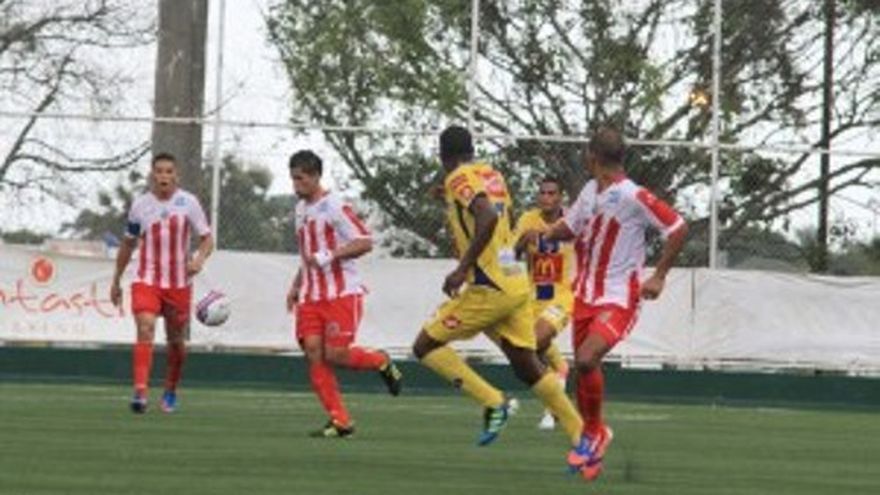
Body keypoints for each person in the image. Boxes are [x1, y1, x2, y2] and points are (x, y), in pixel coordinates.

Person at [412, 125, 591, 474]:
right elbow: (487, 209)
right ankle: (581, 436)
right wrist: (446, 195)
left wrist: (462, 268)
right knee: (527, 365)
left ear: (443, 156)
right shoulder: (492, 175)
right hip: (515, 282)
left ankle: (494, 402)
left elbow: (487, 216)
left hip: (488, 287)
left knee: (425, 345)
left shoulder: (457, 177)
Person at [539, 127, 688, 480]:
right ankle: (594, 446)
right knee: (583, 367)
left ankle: (593, 433)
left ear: (592, 157)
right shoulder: (590, 190)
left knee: (587, 357)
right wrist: (545, 234)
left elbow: (678, 227)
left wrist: (659, 276)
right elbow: (571, 226)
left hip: (619, 297)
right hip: (584, 295)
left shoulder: (633, 195)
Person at [286, 150, 402, 438]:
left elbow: (365, 241)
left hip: (341, 294)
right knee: (314, 353)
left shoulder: (334, 206)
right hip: (311, 295)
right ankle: (341, 421)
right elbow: (308, 254)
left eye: (301, 179)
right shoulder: (300, 209)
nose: (296, 185)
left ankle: (380, 361)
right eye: (293, 179)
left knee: (335, 354)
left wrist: (332, 254)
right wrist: (297, 284)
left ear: (315, 176)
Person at [110, 152, 214, 414]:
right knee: (145, 327)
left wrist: (199, 259)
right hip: (147, 280)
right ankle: (140, 392)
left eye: (169, 171)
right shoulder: (140, 205)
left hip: (179, 284)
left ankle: (170, 390)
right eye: (159, 171)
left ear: (176, 175)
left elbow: (207, 238)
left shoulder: (188, 202)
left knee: (176, 341)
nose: (164, 176)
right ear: (152, 175)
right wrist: (116, 280)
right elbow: (128, 244)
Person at [513, 176, 575, 431]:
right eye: (543, 193)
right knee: (525, 353)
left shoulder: (573, 219)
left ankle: (553, 407)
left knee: (537, 341)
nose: (547, 197)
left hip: (563, 296)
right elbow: (509, 256)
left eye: (552, 193)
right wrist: (522, 241)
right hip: (532, 297)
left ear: (561, 197)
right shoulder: (527, 219)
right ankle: (559, 377)